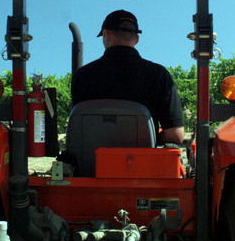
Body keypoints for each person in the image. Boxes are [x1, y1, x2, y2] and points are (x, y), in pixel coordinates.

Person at [71, 10, 185, 145]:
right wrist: (149, 138)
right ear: (136, 39)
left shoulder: (81, 76)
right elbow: (176, 136)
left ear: (106, 34)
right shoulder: (159, 75)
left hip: (91, 164)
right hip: (143, 165)